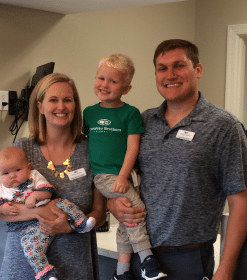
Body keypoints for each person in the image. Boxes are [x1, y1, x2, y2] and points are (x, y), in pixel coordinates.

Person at [107, 39, 247, 280]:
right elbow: (117, 176)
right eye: (162, 68)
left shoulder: (223, 126)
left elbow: (241, 201)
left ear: (197, 70)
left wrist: (226, 269)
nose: (170, 75)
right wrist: (111, 204)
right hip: (138, 255)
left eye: (179, 66)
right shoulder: (141, 122)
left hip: (188, 259)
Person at [0, 73, 106, 280]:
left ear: (75, 104)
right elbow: (0, 210)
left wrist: (72, 226)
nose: (61, 107)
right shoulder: (22, 149)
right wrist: (45, 211)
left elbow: (100, 212)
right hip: (25, 267)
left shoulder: (92, 149)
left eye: (67, 100)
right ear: (39, 106)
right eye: (53, 100)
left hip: (75, 264)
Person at [83, 53, 167, 280]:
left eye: (113, 81)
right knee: (135, 209)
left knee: (125, 221)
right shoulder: (89, 113)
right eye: (101, 78)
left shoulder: (130, 114)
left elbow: (133, 148)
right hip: (103, 176)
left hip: (125, 176)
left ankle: (122, 272)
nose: (104, 84)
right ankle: (147, 259)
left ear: (126, 88)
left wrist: (122, 177)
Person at [0, 146, 96, 280]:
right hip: (28, 226)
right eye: (6, 173)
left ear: (28, 167)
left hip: (49, 206)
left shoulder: (34, 175)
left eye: (17, 170)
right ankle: (46, 273)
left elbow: (47, 191)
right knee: (31, 249)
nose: (12, 175)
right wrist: (1, 208)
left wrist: (36, 196)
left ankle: (80, 222)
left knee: (65, 203)